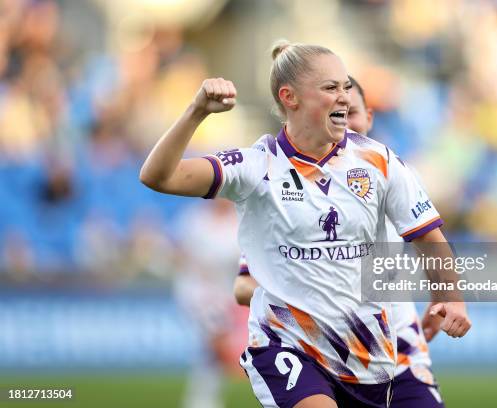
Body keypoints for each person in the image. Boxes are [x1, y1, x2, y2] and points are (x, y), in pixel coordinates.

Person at [140, 40, 471, 408]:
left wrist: (450, 297)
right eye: (331, 88)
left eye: (346, 87)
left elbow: (428, 236)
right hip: (289, 347)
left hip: (369, 356)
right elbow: (160, 176)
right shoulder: (255, 167)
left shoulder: (378, 161)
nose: (344, 98)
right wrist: (196, 111)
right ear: (290, 97)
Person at [234, 76, 447, 407]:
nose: (346, 123)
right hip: (321, 347)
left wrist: (442, 297)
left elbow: (430, 240)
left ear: (369, 118)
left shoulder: (391, 173)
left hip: (398, 345)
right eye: (337, 114)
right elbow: (245, 286)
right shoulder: (292, 193)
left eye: (352, 113)